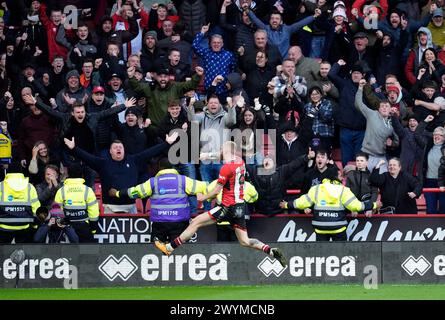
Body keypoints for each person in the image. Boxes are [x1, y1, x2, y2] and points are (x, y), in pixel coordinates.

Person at [154, 141, 287, 268]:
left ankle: (168, 248)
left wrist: (202, 197)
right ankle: (270, 251)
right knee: (245, 241)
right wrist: (206, 155)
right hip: (240, 208)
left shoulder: (226, 168)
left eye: (221, 149)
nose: (219, 151)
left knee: (195, 222)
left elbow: (215, 192)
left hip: (227, 207)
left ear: (226, 151)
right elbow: (222, 154)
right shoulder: (240, 162)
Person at [63, 132, 179, 214]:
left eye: (120, 147)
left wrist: (166, 143)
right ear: (110, 151)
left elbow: (150, 152)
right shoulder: (102, 163)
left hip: (131, 206)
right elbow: (87, 157)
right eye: (115, 147)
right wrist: (74, 149)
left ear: (124, 150)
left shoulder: (134, 160)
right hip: (109, 207)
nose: (118, 149)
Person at [108, 157, 207, 244]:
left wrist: (117, 193)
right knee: (180, 253)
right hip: (180, 223)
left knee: (156, 252)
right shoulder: (183, 180)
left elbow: (135, 192)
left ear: (160, 168)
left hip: (160, 225)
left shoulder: (153, 182)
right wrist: (219, 185)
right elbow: (204, 187)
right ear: (172, 168)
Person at [280, 167, 379, 241]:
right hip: (338, 228)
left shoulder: (317, 188)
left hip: (320, 228)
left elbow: (302, 202)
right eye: (340, 175)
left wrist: (287, 205)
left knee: (322, 257)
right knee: (341, 255)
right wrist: (374, 205)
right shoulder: (343, 190)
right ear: (335, 177)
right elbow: (356, 206)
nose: (342, 178)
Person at [54, 163, 99, 243]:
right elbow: (94, 213)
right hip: (84, 227)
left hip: (67, 228)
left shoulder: (61, 191)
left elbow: (57, 213)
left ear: (68, 174)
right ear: (82, 175)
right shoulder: (87, 190)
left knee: (68, 253)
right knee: (87, 253)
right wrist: (93, 229)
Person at [0, 162, 40, 244]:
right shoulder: (29, 187)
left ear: (7, 172)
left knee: (3, 253)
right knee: (24, 253)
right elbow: (36, 209)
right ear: (21, 172)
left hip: (3, 228)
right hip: (24, 227)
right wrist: (34, 226)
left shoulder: (1, 186)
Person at [345, 152, 379, 217]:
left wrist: (370, 208)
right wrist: (352, 208)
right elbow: (347, 192)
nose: (359, 162)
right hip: (353, 206)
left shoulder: (371, 176)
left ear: (366, 162)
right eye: (357, 161)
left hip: (367, 206)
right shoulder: (350, 174)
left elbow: (375, 192)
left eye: (361, 161)